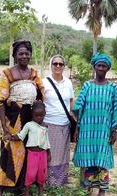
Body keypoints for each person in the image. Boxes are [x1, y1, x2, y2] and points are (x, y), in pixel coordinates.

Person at [0, 40, 44, 196]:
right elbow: (0, 101)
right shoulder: (7, 73)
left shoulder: (34, 74)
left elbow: (41, 94)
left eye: (27, 53)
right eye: (20, 53)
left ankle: (22, 186)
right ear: (14, 55)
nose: (24, 56)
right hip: (13, 117)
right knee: (10, 149)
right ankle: (0, 189)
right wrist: (4, 125)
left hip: (30, 118)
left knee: (28, 151)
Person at [72, 53, 117, 196]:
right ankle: (88, 187)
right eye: (99, 65)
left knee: (102, 160)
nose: (101, 68)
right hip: (87, 131)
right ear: (94, 67)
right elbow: (78, 108)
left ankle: (102, 190)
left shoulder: (113, 88)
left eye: (104, 66)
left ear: (108, 68)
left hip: (104, 131)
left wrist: (114, 130)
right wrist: (77, 129)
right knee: (89, 158)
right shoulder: (87, 86)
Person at [42, 55, 74, 187]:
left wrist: (74, 120)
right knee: (51, 154)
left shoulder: (68, 82)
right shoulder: (44, 82)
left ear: (64, 66)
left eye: (61, 64)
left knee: (63, 154)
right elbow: (40, 103)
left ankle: (61, 181)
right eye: (55, 64)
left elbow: (71, 101)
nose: (58, 66)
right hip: (49, 123)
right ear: (51, 65)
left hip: (65, 124)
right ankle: (49, 182)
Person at [11, 102, 51, 196]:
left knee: (42, 173)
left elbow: (46, 140)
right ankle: (27, 192)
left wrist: (49, 152)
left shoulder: (45, 126)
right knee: (30, 173)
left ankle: (40, 192)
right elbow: (21, 136)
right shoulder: (29, 125)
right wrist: (11, 136)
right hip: (32, 153)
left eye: (41, 116)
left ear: (44, 114)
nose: (38, 118)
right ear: (32, 114)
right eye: (36, 116)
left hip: (43, 153)